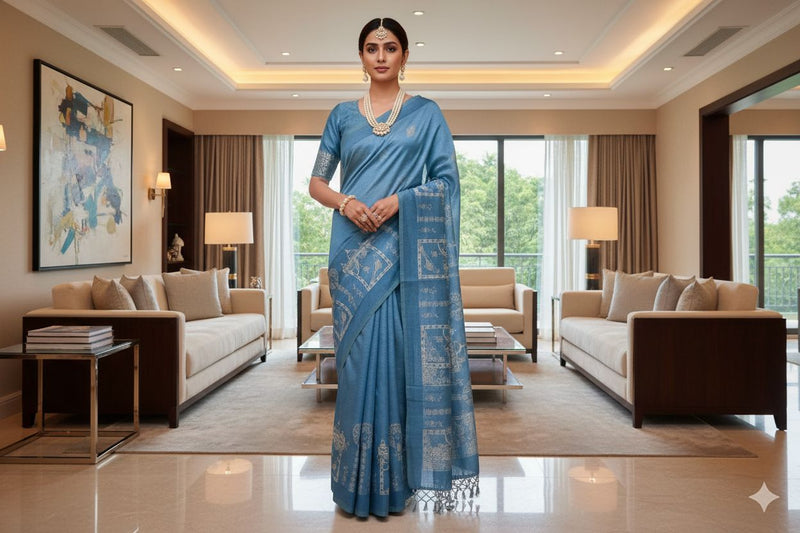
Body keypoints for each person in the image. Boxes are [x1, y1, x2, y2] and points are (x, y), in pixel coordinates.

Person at [308, 17, 479, 517]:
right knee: (357, 366)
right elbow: (317, 183)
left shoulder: (426, 115)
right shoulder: (342, 115)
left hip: (402, 251)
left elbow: (446, 181)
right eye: (370, 48)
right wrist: (345, 203)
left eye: (390, 47)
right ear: (360, 57)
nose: (380, 55)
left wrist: (402, 201)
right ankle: (353, 485)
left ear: (405, 55)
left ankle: (394, 486)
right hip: (352, 250)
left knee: (400, 361)